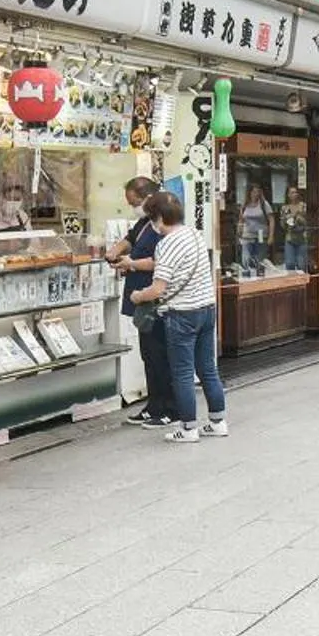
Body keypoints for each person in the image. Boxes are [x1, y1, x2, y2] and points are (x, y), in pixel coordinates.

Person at [128, 191, 226, 442]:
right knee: (208, 370)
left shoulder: (166, 243)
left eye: (152, 218)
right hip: (206, 309)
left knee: (181, 372)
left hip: (182, 315)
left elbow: (159, 288)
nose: (152, 224)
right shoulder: (193, 234)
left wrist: (139, 296)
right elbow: (161, 264)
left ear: (160, 218)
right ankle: (217, 422)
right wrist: (132, 263)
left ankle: (189, 428)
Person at [104, 175, 176, 427]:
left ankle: (170, 407)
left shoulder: (163, 224)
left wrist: (131, 263)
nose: (132, 207)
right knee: (148, 353)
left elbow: (163, 262)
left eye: (134, 202)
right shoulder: (145, 222)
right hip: (140, 296)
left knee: (160, 352)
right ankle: (154, 405)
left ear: (147, 197)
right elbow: (130, 239)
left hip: (155, 296)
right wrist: (115, 252)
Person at [237, 182, 273, 272]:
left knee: (259, 260)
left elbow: (271, 220)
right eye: (254, 192)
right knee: (246, 259)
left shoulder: (264, 204)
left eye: (258, 192)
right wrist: (239, 231)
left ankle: (259, 277)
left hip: (260, 235)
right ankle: (247, 276)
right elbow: (241, 219)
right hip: (247, 236)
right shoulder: (245, 204)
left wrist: (271, 236)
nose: (256, 194)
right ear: (249, 192)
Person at [280, 188, 312, 275]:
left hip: (301, 238)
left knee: (301, 265)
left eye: (296, 192)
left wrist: (297, 216)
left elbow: (307, 222)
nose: (294, 194)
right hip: (290, 238)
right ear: (288, 195)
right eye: (292, 192)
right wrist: (286, 220)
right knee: (289, 264)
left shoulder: (303, 206)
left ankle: (303, 286)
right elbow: (282, 225)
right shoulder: (285, 208)